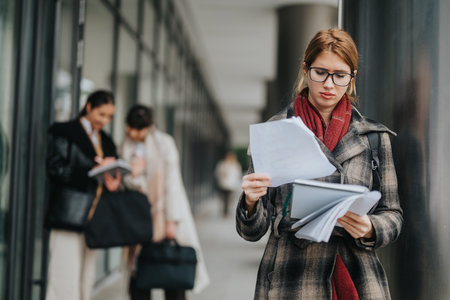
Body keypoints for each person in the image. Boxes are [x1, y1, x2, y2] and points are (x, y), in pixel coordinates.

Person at [236, 28, 403, 299]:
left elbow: (393, 214)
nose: (328, 84)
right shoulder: (275, 131)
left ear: (352, 78)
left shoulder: (374, 137)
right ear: (306, 69)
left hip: (357, 277)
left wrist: (371, 227)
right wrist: (251, 202)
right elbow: (252, 232)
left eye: (340, 76)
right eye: (320, 72)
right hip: (291, 279)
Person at [119, 105, 209, 300]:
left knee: (171, 269)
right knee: (140, 271)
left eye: (138, 130)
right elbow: (125, 182)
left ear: (150, 127)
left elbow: (172, 183)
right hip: (137, 217)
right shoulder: (125, 146)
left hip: (164, 213)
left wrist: (171, 220)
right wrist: (134, 174)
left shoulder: (164, 143)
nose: (133, 134)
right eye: (130, 129)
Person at [45, 90, 121, 300]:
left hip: (95, 217)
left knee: (86, 280)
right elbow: (55, 169)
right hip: (68, 215)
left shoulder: (106, 140)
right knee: (64, 278)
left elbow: (112, 173)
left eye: (110, 116)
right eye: (101, 114)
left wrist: (112, 179)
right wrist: (91, 170)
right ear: (88, 107)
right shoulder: (63, 132)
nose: (105, 120)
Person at [214, 151, 242, 217]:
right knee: (224, 199)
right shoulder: (222, 164)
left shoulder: (236, 165)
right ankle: (224, 212)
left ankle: (227, 211)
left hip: (231, 185)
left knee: (229, 199)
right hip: (223, 185)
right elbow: (218, 173)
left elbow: (238, 175)